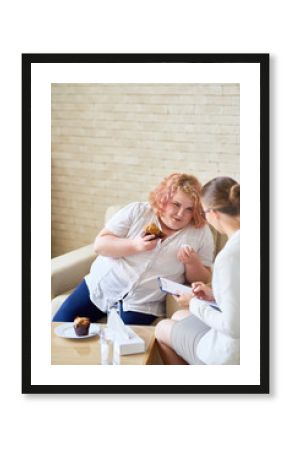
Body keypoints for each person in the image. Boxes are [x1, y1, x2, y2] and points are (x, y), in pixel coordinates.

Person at [52, 173, 214, 325]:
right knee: (56, 328)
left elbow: (202, 278)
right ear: (163, 199)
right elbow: (100, 245)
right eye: (176, 204)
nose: (180, 214)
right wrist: (135, 245)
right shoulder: (138, 211)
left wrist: (192, 263)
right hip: (101, 286)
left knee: (124, 349)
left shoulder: (200, 232)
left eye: (189, 209)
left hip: (143, 303)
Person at [155, 176, 240, 364]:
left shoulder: (229, 257)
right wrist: (213, 295)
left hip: (231, 354)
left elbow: (233, 327)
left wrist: (193, 302)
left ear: (213, 213)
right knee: (177, 316)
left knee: (161, 328)